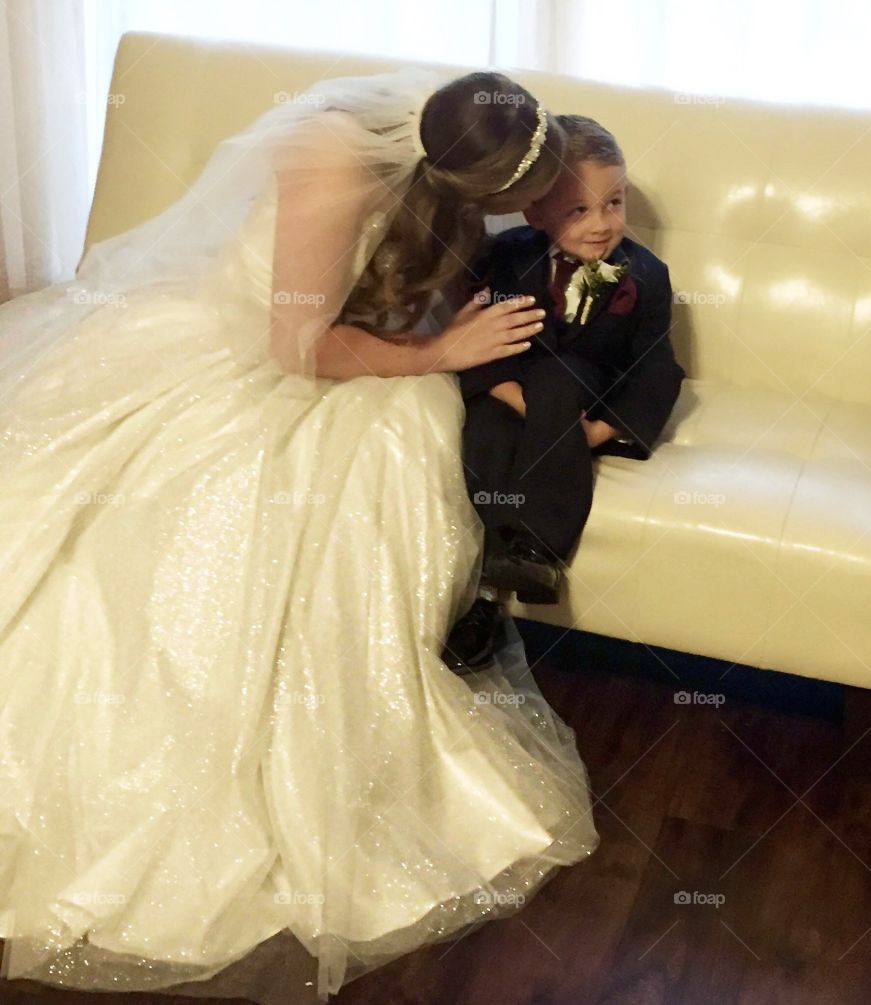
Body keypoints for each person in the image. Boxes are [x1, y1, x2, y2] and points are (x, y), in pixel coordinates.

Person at [0, 66, 600, 1004]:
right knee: (223, 509)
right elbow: (295, 349)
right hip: (271, 360)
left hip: (364, 338)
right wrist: (438, 355)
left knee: (405, 457)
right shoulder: (337, 162)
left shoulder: (452, 133)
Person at [441, 113, 686, 674]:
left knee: (559, 377)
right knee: (484, 432)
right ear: (534, 210)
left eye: (615, 202)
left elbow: (656, 370)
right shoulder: (504, 257)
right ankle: (482, 590)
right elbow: (474, 334)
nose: (602, 223)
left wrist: (600, 431)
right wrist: (507, 395)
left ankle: (538, 551)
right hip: (509, 390)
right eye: (579, 209)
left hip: (583, 399)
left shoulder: (647, 274)